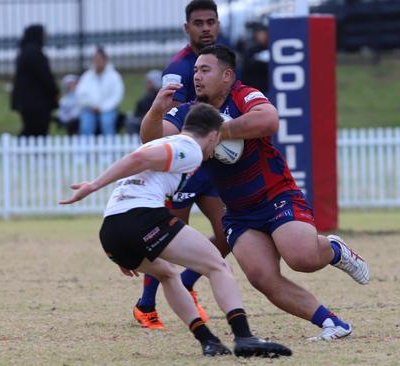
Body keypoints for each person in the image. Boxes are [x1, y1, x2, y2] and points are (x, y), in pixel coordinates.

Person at [141, 44, 370, 341]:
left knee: (301, 258)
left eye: (205, 70)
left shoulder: (243, 95)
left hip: (276, 196)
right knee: (262, 278)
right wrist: (157, 110)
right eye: (195, 70)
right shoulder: (188, 112)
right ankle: (332, 323)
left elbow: (268, 120)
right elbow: (150, 139)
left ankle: (335, 250)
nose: (196, 76)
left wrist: (220, 131)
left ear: (227, 76)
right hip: (238, 212)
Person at [59, 103, 292, 358]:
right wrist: (93, 185)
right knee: (217, 266)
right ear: (214, 135)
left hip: (112, 230)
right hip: (141, 217)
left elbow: (139, 169)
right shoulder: (189, 148)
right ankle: (244, 337)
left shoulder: (169, 141)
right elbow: (139, 159)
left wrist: (127, 244)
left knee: (168, 274)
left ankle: (208, 341)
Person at [132, 0, 228, 330]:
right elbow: (168, 121)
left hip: (212, 167)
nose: (206, 28)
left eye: (210, 21)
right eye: (198, 22)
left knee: (229, 234)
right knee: (168, 242)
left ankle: (186, 284)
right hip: (185, 170)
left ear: (218, 24)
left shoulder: (222, 62)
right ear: (186, 28)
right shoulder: (178, 69)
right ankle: (145, 306)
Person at [10, 24, 59, 137]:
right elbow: (46, 77)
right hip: (36, 103)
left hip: (27, 102)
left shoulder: (25, 52)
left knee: (31, 130)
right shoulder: (34, 53)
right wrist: (55, 92)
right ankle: (17, 150)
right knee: (36, 130)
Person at [76, 46, 125, 136]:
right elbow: (80, 95)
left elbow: (117, 96)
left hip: (108, 109)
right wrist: (91, 106)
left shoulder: (114, 76)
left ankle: (110, 149)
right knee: (86, 126)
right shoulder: (87, 76)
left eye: (99, 59)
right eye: (95, 59)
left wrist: (103, 108)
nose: (97, 62)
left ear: (105, 60)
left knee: (106, 123)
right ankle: (85, 150)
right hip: (90, 109)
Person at [124, 69, 162, 135]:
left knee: (131, 123)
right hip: (144, 119)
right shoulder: (148, 96)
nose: (147, 84)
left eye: (149, 82)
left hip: (153, 121)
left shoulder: (159, 96)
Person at [240, 23, 269, 94]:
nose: (263, 37)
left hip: (267, 87)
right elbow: (247, 67)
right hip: (254, 88)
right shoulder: (251, 50)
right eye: (260, 34)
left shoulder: (273, 48)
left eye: (264, 34)